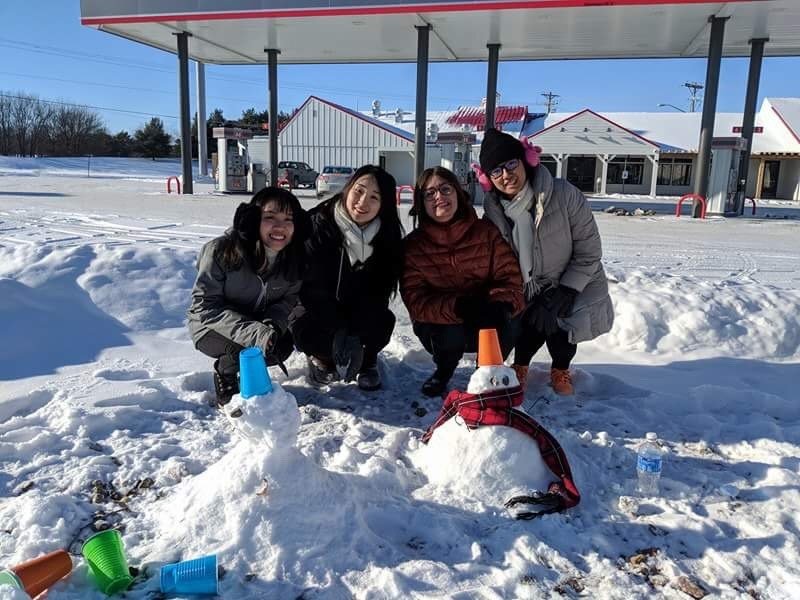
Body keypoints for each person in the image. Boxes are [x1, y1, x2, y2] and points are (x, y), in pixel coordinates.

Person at [477, 128, 614, 395]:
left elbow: (589, 250)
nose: (506, 175)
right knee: (529, 323)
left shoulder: (564, 194)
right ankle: (521, 365)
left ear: (525, 160)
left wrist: (566, 290)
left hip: (575, 280)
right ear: (488, 179)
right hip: (527, 286)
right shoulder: (492, 213)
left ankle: (560, 368)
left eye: (510, 164)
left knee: (563, 328)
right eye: (496, 171)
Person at [401, 166, 525, 397]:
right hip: (443, 323)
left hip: (486, 312)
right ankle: (443, 371)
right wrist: (456, 306)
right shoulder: (413, 246)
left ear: (458, 193)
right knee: (448, 331)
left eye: (445, 189)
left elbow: (510, 278)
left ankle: (488, 374)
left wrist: (498, 304)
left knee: (508, 318)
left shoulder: (486, 232)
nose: (439, 197)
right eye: (430, 193)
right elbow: (415, 299)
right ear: (421, 203)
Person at [187, 186, 309, 406]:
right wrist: (256, 333)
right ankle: (226, 373)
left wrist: (272, 325)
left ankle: (251, 373)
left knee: (281, 346)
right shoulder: (220, 251)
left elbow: (287, 300)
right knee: (240, 350)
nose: (280, 226)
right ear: (253, 220)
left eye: (288, 219)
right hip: (210, 327)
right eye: (270, 217)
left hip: (256, 323)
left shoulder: (294, 258)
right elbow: (205, 307)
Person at [292, 164, 404, 391]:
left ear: (384, 205)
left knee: (382, 323)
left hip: (357, 314)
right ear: (348, 188)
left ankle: (367, 359)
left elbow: (380, 292)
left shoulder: (386, 236)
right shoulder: (316, 225)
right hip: (317, 312)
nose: (363, 202)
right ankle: (322, 359)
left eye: (375, 197)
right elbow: (310, 290)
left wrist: (355, 334)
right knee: (308, 331)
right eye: (359, 191)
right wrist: (340, 329)